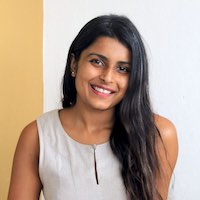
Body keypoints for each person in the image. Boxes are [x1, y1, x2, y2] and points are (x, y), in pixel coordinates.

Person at [8, 15, 178, 200]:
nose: (107, 77)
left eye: (123, 69)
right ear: (74, 63)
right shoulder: (37, 136)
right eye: (97, 62)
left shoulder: (158, 134)